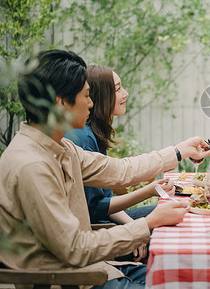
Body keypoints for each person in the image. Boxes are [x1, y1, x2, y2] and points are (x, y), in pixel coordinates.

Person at [0, 49, 210, 289]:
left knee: (188, 276)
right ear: (62, 102)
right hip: (72, 280)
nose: (91, 103)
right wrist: (146, 225)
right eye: (86, 95)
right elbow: (75, 249)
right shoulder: (32, 166)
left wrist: (179, 151)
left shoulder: (59, 147)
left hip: (95, 269)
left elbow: (120, 171)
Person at [65, 64, 170, 263]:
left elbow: (105, 202)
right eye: (118, 89)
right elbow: (95, 209)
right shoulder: (84, 138)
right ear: (98, 96)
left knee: (172, 213)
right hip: (99, 236)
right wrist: (136, 230)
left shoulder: (94, 132)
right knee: (167, 230)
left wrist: (133, 226)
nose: (126, 94)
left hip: (106, 224)